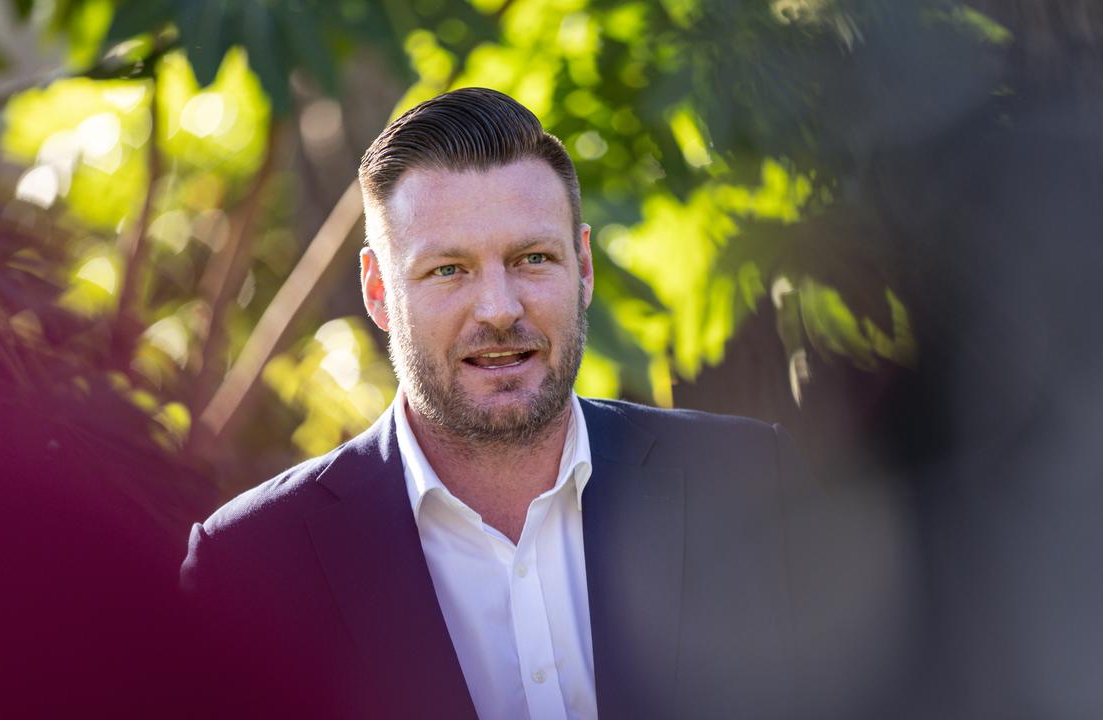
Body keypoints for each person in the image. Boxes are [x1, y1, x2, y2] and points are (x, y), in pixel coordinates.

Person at [181, 87, 837, 720]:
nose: (498, 309)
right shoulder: (250, 569)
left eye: (531, 258)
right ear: (379, 291)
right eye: (448, 270)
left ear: (582, 267)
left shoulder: (752, 483)